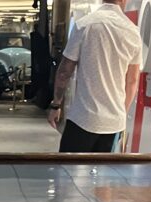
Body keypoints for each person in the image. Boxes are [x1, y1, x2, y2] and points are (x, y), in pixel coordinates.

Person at [47, 0, 142, 153]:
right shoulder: (133, 31)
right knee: (103, 174)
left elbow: (65, 71)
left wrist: (56, 104)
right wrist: (120, 113)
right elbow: (133, 80)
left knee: (68, 172)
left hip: (83, 118)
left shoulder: (84, 25)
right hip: (114, 124)